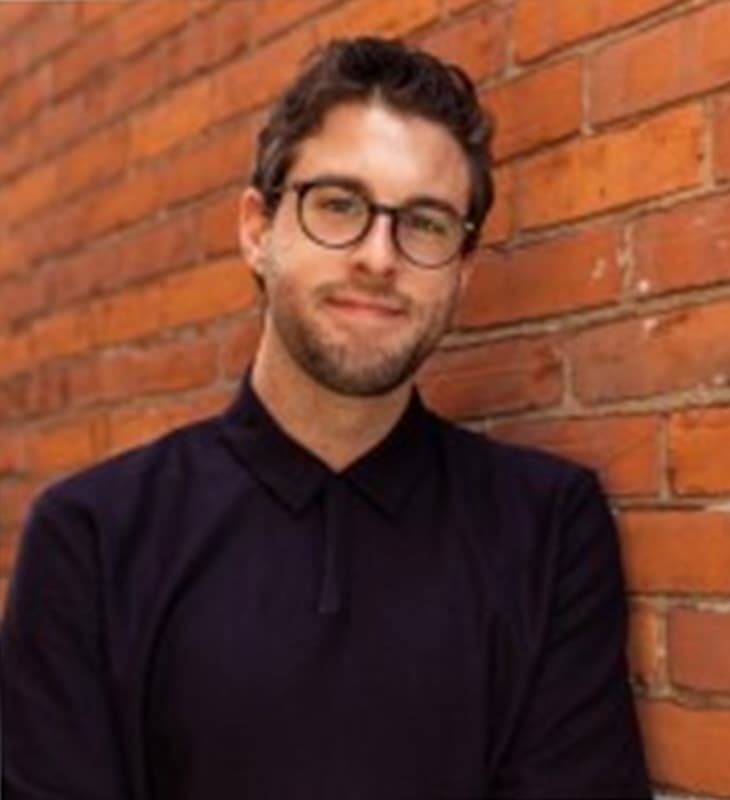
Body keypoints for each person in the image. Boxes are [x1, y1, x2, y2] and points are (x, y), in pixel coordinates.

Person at [0, 37, 651, 799]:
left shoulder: (546, 529)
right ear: (257, 229)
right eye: (339, 205)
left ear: (464, 270)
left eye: (427, 223)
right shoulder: (94, 537)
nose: (379, 256)